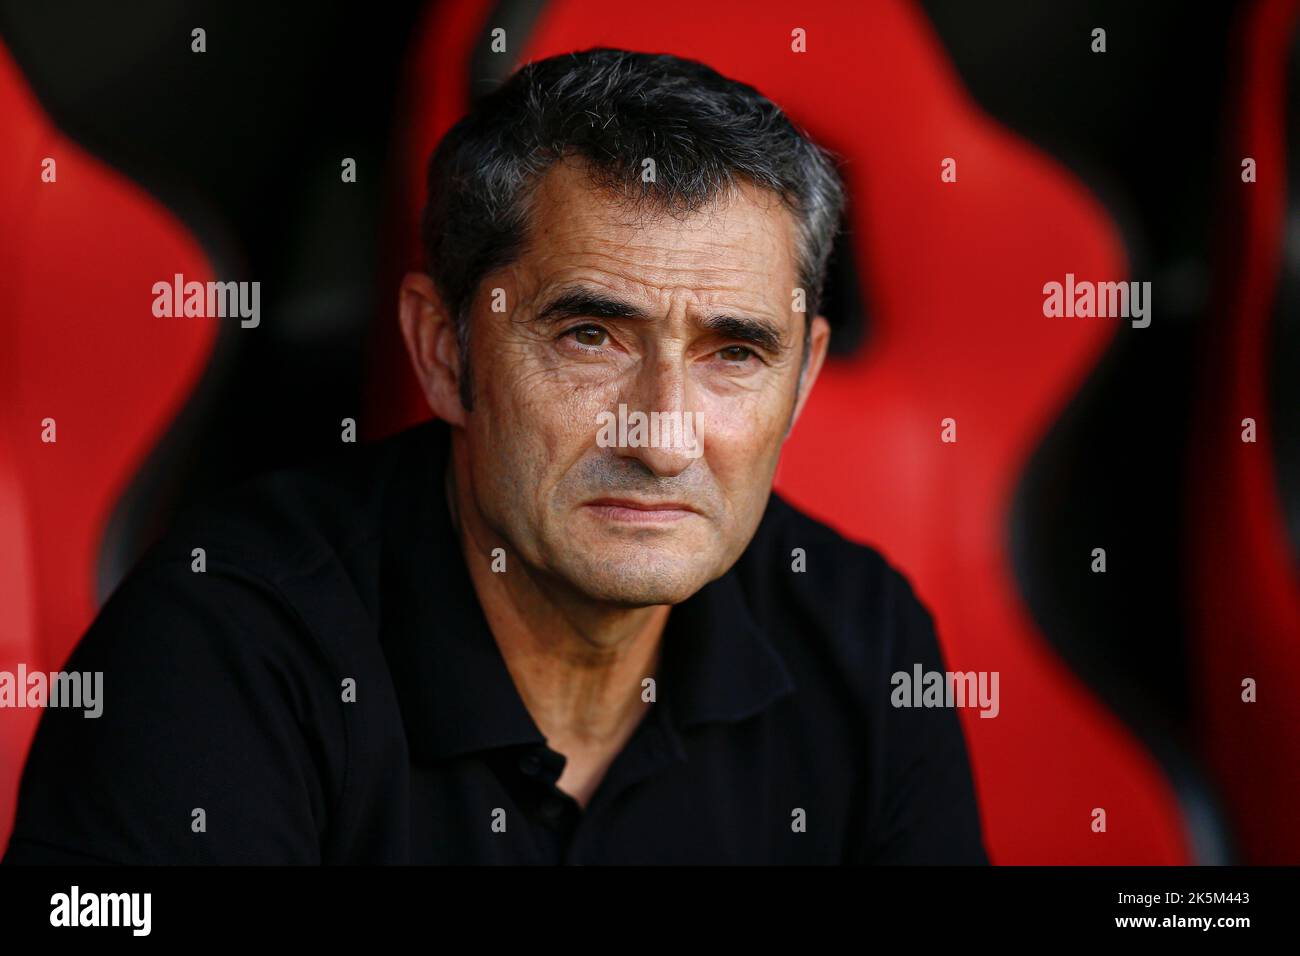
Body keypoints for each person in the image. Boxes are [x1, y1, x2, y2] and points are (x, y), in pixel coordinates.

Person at [3, 48, 987, 864]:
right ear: (443, 351)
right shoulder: (221, 645)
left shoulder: (863, 635)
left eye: (734, 352)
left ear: (802, 379)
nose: (663, 436)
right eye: (590, 336)